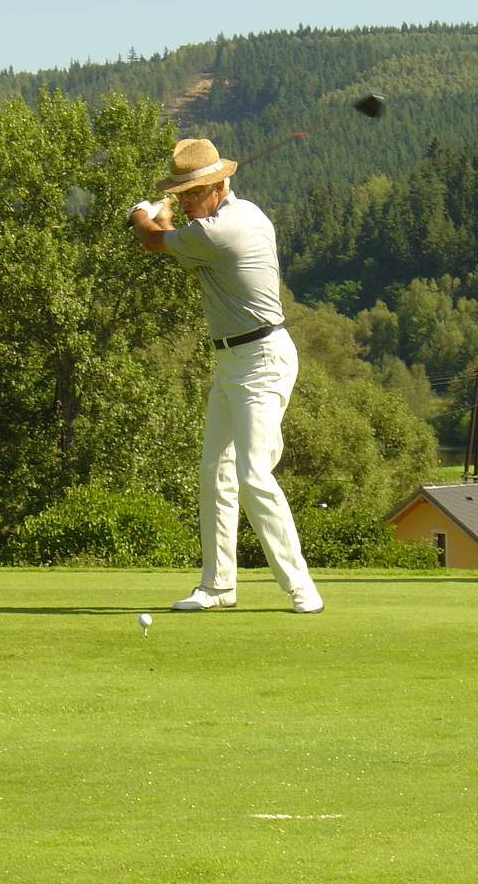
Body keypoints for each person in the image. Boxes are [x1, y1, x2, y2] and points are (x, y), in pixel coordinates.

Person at [127, 138, 323, 614]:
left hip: (262, 359)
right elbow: (187, 253)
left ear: (220, 187)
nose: (187, 202)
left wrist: (141, 212)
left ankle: (300, 586)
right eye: (182, 195)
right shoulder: (225, 222)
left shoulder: (224, 230)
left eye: (195, 193)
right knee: (215, 473)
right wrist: (169, 217)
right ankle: (218, 586)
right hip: (231, 361)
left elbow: (152, 239)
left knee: (252, 474)